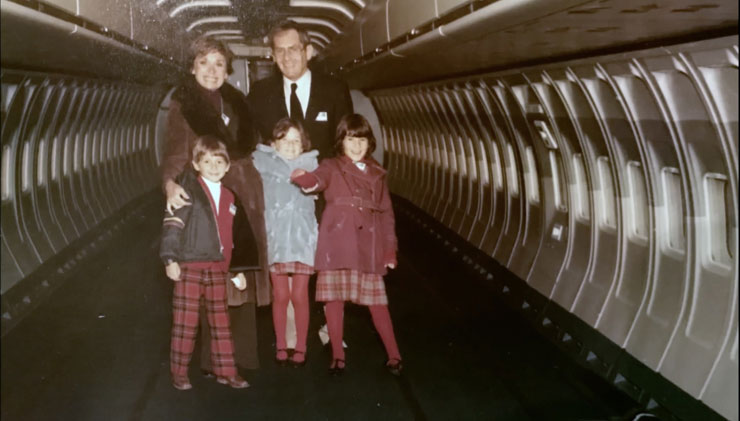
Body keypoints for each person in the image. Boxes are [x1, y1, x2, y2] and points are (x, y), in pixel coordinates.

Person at [160, 36, 271, 374]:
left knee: (243, 273)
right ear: (193, 67)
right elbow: (176, 152)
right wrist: (168, 184)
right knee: (215, 272)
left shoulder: (237, 102)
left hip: (246, 192)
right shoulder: (185, 106)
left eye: (218, 63)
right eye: (204, 63)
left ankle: (245, 357)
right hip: (209, 195)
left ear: (228, 70)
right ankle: (215, 361)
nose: (211, 70)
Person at [290, 114, 403, 376]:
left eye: (362, 140)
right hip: (338, 243)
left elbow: (387, 214)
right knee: (334, 301)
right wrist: (304, 178)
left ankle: (394, 355)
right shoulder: (331, 166)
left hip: (369, 246)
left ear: (369, 143)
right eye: (351, 139)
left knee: (377, 303)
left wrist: (389, 249)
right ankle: (338, 356)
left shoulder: (378, 174)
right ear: (342, 142)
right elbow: (318, 179)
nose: (356, 145)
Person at [160, 136, 251, 390]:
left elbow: (233, 237)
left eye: (219, 161)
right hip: (189, 265)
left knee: (221, 322)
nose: (213, 166)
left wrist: (235, 270)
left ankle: (227, 371)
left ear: (227, 166)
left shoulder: (231, 198)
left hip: (217, 267)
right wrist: (170, 258)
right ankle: (179, 373)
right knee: (185, 323)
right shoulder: (186, 190)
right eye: (207, 161)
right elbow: (172, 225)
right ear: (196, 164)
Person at [252, 118, 319, 367]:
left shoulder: (312, 167)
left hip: (302, 239)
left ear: (303, 145)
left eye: (296, 141)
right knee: (280, 295)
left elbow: (319, 188)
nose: (291, 145)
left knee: (300, 294)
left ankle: (300, 345)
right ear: (274, 143)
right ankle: (281, 343)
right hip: (276, 238)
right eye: (285, 140)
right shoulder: (262, 166)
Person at [247, 20, 353, 160]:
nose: (286, 58)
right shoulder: (260, 92)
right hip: (277, 178)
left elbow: (346, 141)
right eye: (280, 51)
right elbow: (247, 138)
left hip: (324, 177)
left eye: (293, 49)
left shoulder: (335, 89)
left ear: (308, 52)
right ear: (273, 56)